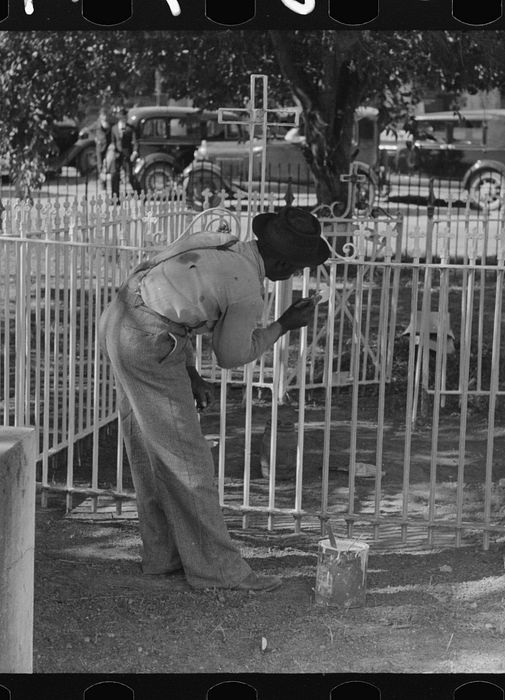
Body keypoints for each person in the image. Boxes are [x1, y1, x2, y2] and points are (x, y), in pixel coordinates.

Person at [98, 207, 330, 592]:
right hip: (147, 341)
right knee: (189, 463)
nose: (295, 276)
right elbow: (232, 355)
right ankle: (219, 572)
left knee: (150, 453)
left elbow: (171, 304)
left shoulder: (223, 246)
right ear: (282, 261)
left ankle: (164, 557)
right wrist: (282, 325)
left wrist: (190, 375)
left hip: (122, 321)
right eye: (296, 268)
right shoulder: (246, 289)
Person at [109, 111, 134, 200]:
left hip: (127, 154)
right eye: (124, 117)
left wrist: (134, 152)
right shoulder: (114, 128)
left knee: (130, 175)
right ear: (121, 118)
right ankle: (115, 197)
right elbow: (112, 141)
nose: (125, 119)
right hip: (117, 154)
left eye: (126, 117)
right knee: (114, 175)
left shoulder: (130, 128)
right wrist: (113, 150)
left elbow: (134, 141)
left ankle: (137, 192)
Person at [93, 109, 116, 198]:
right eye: (103, 115)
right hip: (100, 146)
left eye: (106, 115)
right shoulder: (97, 124)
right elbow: (89, 130)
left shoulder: (110, 124)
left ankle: (105, 182)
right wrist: (95, 139)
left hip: (108, 145)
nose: (105, 117)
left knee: (107, 164)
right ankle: (102, 183)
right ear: (100, 116)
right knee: (100, 165)